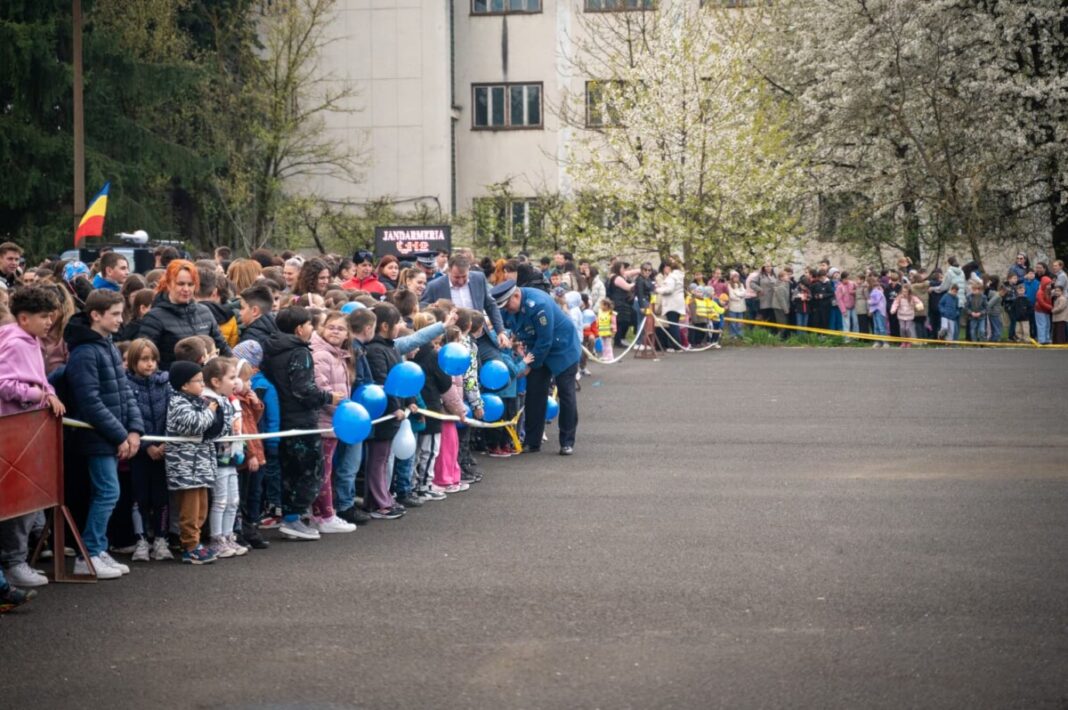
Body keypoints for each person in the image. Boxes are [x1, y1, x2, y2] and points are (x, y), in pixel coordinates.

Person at [65, 289, 144, 579]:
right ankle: (88, 553)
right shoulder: (85, 352)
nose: (120, 320)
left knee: (108, 492)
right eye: (115, 314)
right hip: (97, 438)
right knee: (107, 492)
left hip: (111, 435)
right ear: (96, 315)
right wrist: (121, 435)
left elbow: (125, 392)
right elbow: (90, 401)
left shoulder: (107, 345)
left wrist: (134, 430)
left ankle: (96, 550)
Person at [0, 286, 65, 589]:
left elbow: (40, 380)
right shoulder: (16, 343)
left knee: (28, 501)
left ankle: (17, 561)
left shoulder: (31, 340)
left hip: (27, 431)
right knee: (19, 502)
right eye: (43, 317)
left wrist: (49, 392)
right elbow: (5, 384)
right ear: (24, 318)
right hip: (15, 431)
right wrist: (38, 395)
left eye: (51, 316)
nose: (49, 322)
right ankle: (14, 562)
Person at [261, 306, 345, 540]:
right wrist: (328, 397)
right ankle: (292, 519)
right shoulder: (299, 352)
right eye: (309, 324)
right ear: (299, 329)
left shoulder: (273, 348)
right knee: (309, 472)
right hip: (300, 420)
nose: (312, 328)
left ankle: (292, 517)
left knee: (291, 471)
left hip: (283, 417)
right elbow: (303, 390)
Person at [494, 279, 582, 456]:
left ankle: (567, 441)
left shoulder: (538, 305)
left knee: (566, 394)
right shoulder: (508, 307)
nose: (507, 310)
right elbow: (505, 327)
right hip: (535, 349)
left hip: (561, 349)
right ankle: (532, 441)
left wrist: (529, 366)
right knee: (534, 394)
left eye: (508, 305)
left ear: (516, 296)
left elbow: (545, 340)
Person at [165, 360, 225, 565]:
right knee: (189, 510)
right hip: (185, 467)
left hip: (201, 466)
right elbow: (195, 424)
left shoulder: (200, 401)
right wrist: (210, 411)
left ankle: (196, 542)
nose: (202, 384)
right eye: (198, 381)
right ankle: (189, 546)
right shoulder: (178, 403)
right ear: (184, 385)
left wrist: (219, 409)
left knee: (201, 508)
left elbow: (216, 429)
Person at [363, 303, 418, 519]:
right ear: (385, 326)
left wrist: (410, 400)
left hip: (394, 412)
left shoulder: (391, 347)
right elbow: (383, 381)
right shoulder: (375, 350)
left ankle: (382, 497)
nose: (400, 327)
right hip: (383, 413)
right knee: (378, 459)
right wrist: (395, 407)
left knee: (384, 458)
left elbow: (401, 377)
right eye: (397, 324)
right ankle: (379, 502)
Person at [124, 339, 173, 562]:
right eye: (144, 359)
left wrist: (165, 443)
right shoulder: (125, 385)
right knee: (139, 496)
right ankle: (141, 539)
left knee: (161, 497)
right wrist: (147, 446)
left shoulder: (165, 383)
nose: (150, 364)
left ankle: (161, 539)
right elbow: (128, 417)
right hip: (139, 452)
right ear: (133, 361)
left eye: (153, 359)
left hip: (163, 451)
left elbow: (173, 414)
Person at [309, 312, 357, 533]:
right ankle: (326, 516)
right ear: (322, 329)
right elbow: (323, 389)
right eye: (331, 327)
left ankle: (319, 515)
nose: (335, 332)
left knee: (325, 470)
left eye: (340, 328)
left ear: (347, 334)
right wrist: (343, 413)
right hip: (325, 421)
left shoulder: (339, 355)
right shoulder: (322, 355)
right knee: (324, 472)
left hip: (334, 420)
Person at [138, 260, 231, 370]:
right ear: (169, 284)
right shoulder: (154, 317)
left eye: (190, 284)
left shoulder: (205, 312)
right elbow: (145, 357)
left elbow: (223, 349)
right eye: (181, 284)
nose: (186, 289)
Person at [201, 357, 246, 558]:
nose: (236, 382)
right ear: (215, 381)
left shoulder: (227, 400)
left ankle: (228, 536)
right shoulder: (209, 401)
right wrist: (229, 428)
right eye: (232, 377)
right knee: (220, 500)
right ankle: (216, 539)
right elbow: (210, 429)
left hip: (230, 457)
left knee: (233, 500)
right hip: (217, 459)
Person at [419, 254, 507, 344]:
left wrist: (500, 331)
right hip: (452, 340)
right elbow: (423, 310)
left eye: (464, 276)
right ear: (449, 271)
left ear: (469, 269)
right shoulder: (435, 286)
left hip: (480, 337)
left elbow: (491, 305)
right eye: (457, 277)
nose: (461, 281)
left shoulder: (479, 278)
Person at [890, 282, 923, 348]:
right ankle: (903, 342)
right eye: (903, 291)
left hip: (909, 316)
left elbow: (919, 302)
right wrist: (893, 310)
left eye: (905, 292)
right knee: (902, 328)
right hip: (901, 315)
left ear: (909, 292)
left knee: (907, 329)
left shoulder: (913, 297)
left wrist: (919, 306)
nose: (904, 293)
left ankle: (909, 341)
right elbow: (895, 303)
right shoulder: (899, 297)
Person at [868, 278, 888, 347]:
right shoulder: (874, 291)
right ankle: (878, 342)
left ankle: (885, 342)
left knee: (881, 327)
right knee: (876, 327)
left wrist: (869, 302)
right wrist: (870, 310)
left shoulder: (878, 292)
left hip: (880, 311)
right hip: (875, 311)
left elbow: (875, 301)